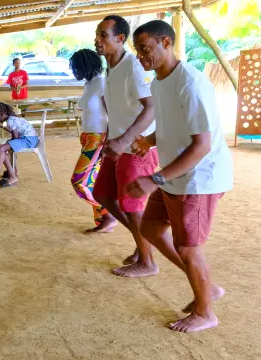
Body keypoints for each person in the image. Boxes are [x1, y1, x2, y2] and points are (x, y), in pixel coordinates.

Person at [127, 20, 232, 333]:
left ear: (166, 43)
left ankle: (205, 312)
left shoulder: (191, 83)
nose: (142, 57)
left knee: (188, 247)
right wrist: (149, 140)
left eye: (146, 49)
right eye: (139, 51)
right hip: (176, 172)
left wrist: (155, 179)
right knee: (151, 228)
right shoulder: (160, 81)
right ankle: (207, 287)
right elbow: (175, 125)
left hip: (199, 177)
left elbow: (201, 145)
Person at [92, 15, 159, 277]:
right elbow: (117, 108)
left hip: (136, 148)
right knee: (103, 194)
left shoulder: (133, 67)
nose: (97, 40)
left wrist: (124, 139)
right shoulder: (111, 68)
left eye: (103, 35)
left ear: (120, 39)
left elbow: (151, 107)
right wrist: (112, 136)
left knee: (132, 205)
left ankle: (147, 261)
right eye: (97, 35)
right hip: (118, 145)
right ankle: (141, 242)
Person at [69, 49, 116, 233]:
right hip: (88, 137)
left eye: (75, 68)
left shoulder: (101, 83)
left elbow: (112, 113)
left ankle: (111, 213)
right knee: (93, 181)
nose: (74, 72)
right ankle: (106, 219)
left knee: (78, 181)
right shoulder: (90, 83)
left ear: (85, 66)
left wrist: (109, 140)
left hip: (99, 138)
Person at [0, 102, 38, 188]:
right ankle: (13, 172)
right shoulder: (13, 118)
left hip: (28, 140)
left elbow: (15, 137)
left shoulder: (10, 121)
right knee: (6, 147)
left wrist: (7, 143)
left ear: (2, 113)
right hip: (32, 139)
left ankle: (13, 177)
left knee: (1, 149)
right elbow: (16, 136)